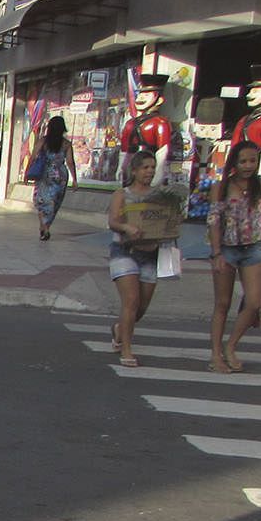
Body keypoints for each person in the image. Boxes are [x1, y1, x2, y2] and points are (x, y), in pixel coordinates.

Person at [106, 150, 176, 368]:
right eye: (145, 167)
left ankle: (120, 329)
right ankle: (126, 349)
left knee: (141, 307)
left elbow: (169, 221)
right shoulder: (122, 194)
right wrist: (126, 227)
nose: (150, 171)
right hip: (124, 251)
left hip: (150, 253)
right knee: (131, 300)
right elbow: (113, 221)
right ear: (134, 170)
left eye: (152, 167)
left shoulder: (160, 196)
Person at [206, 139, 261, 374]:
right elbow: (214, 221)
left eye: (252, 161)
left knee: (254, 302)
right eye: (243, 161)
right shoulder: (221, 187)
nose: (248, 166)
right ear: (234, 162)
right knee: (222, 304)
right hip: (227, 249)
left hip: (253, 248)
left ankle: (231, 346)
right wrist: (216, 253)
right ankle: (216, 355)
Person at [27, 114, 76, 240]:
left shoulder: (43, 141)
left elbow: (33, 156)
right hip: (60, 175)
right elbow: (70, 162)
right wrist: (74, 179)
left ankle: (44, 226)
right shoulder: (66, 144)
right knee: (54, 203)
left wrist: (28, 170)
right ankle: (46, 227)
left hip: (45, 173)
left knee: (41, 201)